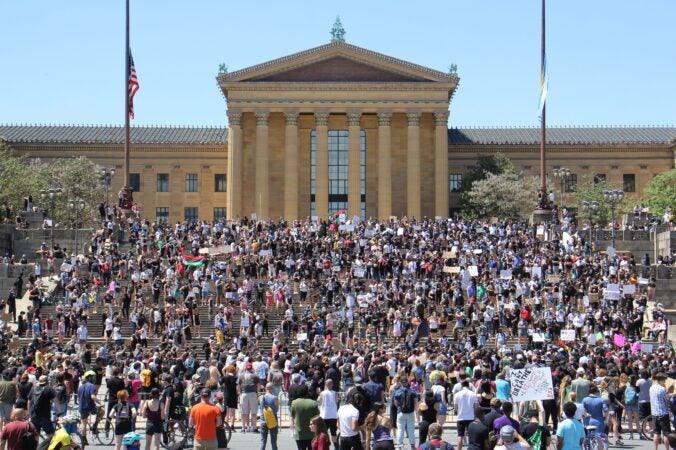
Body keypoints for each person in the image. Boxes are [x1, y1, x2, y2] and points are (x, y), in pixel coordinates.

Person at [290, 384, 320, 450]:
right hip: (312, 433)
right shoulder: (313, 403)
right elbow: (318, 417)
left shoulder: (294, 403)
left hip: (300, 433)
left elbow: (292, 418)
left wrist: (292, 430)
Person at [453, 380, 478, 450]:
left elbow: (455, 408)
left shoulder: (457, 394)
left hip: (460, 417)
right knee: (471, 435)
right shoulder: (473, 394)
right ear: (469, 385)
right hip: (471, 417)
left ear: (462, 386)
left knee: (460, 435)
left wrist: (457, 411)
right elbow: (476, 406)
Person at [77, 370, 102, 439]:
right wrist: (100, 403)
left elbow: (78, 399)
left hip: (82, 407)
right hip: (90, 407)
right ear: (90, 378)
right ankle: (94, 426)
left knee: (83, 424)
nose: (95, 378)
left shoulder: (81, 387)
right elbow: (93, 396)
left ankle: (84, 440)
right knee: (102, 411)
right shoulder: (92, 386)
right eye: (93, 377)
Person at [393, 379, 417, 450]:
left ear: (401, 382)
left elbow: (395, 403)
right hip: (410, 412)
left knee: (400, 429)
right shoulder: (412, 391)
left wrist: (399, 408)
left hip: (401, 412)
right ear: (408, 382)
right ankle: (412, 446)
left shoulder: (398, 391)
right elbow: (415, 402)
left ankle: (399, 446)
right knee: (411, 430)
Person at [238, 361, 261, 433]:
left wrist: (239, 393)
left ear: (245, 368)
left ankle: (244, 427)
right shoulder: (255, 376)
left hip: (244, 394)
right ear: (252, 368)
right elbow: (258, 386)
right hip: (253, 394)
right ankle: (254, 427)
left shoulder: (241, 375)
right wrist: (257, 393)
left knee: (244, 412)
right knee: (254, 412)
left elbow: (238, 385)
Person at [650, 373, 671, 450]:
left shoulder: (651, 388)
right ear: (661, 380)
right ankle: (667, 449)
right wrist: (669, 394)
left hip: (654, 414)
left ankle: (655, 449)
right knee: (666, 434)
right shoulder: (662, 389)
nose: (665, 381)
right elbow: (666, 400)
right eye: (664, 380)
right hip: (663, 413)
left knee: (656, 433)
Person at [318, 379, 339, 450]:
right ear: (332, 384)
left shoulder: (322, 393)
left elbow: (320, 403)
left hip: (324, 415)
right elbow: (336, 401)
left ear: (325, 385)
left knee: (323, 432)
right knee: (333, 433)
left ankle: (324, 446)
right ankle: (336, 447)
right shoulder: (335, 393)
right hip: (333, 415)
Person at [259, 383, 279, 450]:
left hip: (263, 420)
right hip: (272, 420)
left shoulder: (261, 397)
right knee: (273, 441)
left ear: (266, 388)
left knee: (263, 441)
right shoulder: (275, 398)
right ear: (272, 388)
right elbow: (277, 409)